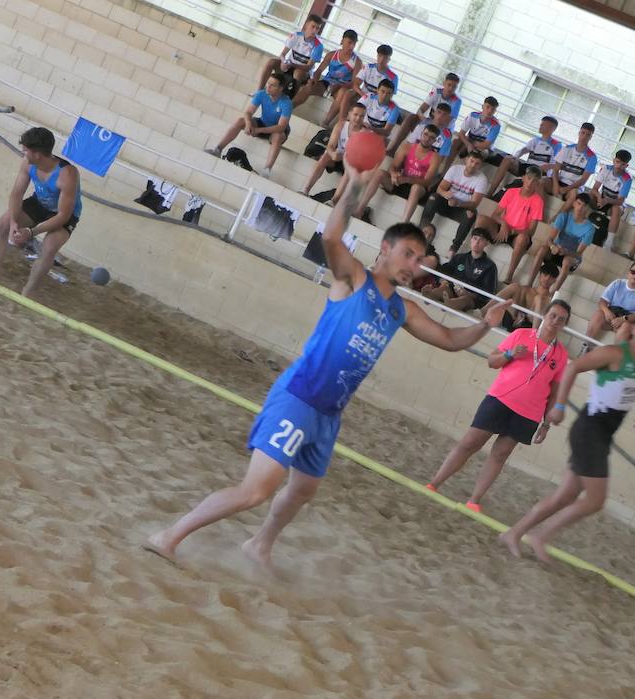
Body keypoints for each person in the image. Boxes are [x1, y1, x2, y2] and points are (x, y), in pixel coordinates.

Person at [144, 165, 512, 566]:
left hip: (328, 414)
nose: (414, 264)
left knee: (303, 491)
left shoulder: (401, 308)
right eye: (408, 253)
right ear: (385, 249)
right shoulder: (354, 279)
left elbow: (448, 340)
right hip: (299, 396)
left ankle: (259, 545)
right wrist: (354, 181)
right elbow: (332, 236)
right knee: (255, 491)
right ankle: (170, 535)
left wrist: (483, 324)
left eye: (420, 259)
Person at [499, 311, 635, 563]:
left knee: (564, 497)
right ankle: (541, 536)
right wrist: (560, 406)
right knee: (596, 500)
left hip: (602, 435)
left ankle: (515, 533)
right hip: (589, 430)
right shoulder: (616, 353)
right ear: (634, 330)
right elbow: (574, 366)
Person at [427, 299, 573, 512]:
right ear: (544, 315)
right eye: (553, 316)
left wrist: (546, 423)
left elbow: (556, 390)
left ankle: (474, 500)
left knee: (500, 454)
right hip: (500, 399)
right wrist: (510, 354)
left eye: (561, 320)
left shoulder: (561, 355)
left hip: (529, 412)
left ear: (564, 325)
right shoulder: (521, 335)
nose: (555, 321)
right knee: (470, 443)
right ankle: (435, 483)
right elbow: (491, 361)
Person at [0, 127, 82, 299]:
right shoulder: (28, 163)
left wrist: (31, 232)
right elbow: (16, 193)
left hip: (63, 214)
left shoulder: (67, 174)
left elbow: (62, 216)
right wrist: (14, 222)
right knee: (2, 225)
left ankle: (28, 293)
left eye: (25, 150)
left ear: (37, 154)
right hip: (39, 203)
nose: (23, 153)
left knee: (49, 248)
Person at [347, 122, 440, 222]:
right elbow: (393, 166)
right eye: (425, 134)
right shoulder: (407, 147)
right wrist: (393, 174)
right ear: (421, 134)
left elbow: (427, 181)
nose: (427, 138)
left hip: (417, 189)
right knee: (379, 173)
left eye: (431, 137)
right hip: (400, 182)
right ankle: (360, 209)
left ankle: (403, 223)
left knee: (416, 188)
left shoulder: (435, 157)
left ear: (434, 141)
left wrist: (407, 180)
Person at [207, 73, 293, 177]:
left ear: (281, 89)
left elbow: (281, 127)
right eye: (268, 83)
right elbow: (248, 112)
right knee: (240, 121)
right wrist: (248, 124)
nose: (268, 87)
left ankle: (267, 170)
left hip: (276, 130)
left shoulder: (286, 102)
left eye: (272, 85)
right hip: (263, 122)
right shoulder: (262, 94)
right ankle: (217, 150)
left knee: (278, 136)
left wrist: (258, 130)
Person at [479, 166, 545, 284]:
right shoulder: (511, 192)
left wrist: (512, 231)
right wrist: (504, 224)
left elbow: (531, 231)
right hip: (503, 227)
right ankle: (475, 255)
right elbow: (495, 215)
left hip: (518, 235)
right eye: (529, 178)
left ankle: (509, 276)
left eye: (534, 181)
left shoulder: (538, 201)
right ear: (523, 178)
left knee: (522, 239)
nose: (530, 183)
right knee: (482, 219)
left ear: (538, 184)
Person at [419, 150, 489, 258]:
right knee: (433, 197)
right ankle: (420, 232)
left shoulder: (482, 179)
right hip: (446, 202)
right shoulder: (455, 169)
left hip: (460, 208)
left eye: (477, 163)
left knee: (471, 213)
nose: (473, 165)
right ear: (466, 160)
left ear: (480, 166)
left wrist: (458, 203)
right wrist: (445, 193)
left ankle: (453, 250)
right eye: (472, 161)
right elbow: (440, 189)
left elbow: (474, 204)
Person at [525, 192, 594, 291]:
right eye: (578, 203)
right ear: (574, 203)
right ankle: (529, 284)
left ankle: (552, 293)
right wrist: (553, 246)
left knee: (567, 260)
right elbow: (549, 239)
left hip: (571, 256)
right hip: (556, 250)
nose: (580, 208)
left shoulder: (589, 228)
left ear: (587, 208)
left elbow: (578, 254)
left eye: (583, 206)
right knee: (542, 249)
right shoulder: (563, 216)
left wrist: (566, 252)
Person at [423, 227, 498, 312]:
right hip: (453, 289)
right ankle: (432, 294)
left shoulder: (490, 266)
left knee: (465, 299)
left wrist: (471, 294)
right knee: (445, 288)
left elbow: (488, 293)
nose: (477, 242)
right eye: (475, 238)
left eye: (481, 240)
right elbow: (443, 270)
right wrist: (444, 281)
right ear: (471, 239)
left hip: (471, 299)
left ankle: (451, 304)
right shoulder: (459, 257)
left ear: (486, 243)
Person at [256, 13, 324, 104]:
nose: (314, 30)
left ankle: (288, 102)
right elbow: (283, 54)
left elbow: (308, 67)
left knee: (298, 73)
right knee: (271, 62)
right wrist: (283, 62)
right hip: (289, 64)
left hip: (303, 71)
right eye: (313, 26)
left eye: (317, 28)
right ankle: (259, 92)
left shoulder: (318, 46)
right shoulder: (296, 35)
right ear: (307, 24)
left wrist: (291, 64)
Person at [486, 115, 560, 198]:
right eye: (541, 124)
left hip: (539, 172)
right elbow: (523, 150)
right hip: (527, 167)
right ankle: (490, 193)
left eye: (543, 125)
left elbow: (558, 164)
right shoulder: (535, 140)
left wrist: (548, 166)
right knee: (507, 159)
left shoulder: (556, 145)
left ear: (552, 128)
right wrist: (514, 157)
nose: (540, 126)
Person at [301, 100, 365, 196]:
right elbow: (330, 146)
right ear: (350, 114)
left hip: (351, 163)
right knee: (325, 157)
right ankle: (305, 189)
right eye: (355, 115)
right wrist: (333, 154)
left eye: (361, 116)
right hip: (338, 158)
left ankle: (335, 199)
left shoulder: (365, 134)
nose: (358, 118)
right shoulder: (341, 125)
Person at [389, 72, 461, 156]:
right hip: (430, 121)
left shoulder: (457, 101)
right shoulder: (436, 92)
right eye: (449, 85)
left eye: (454, 87)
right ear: (444, 83)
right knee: (411, 117)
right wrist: (423, 118)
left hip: (443, 129)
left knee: (428, 129)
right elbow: (421, 109)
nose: (451, 88)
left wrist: (427, 123)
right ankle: (393, 149)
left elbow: (445, 122)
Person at [583, 258, 635, 347]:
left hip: (627, 320)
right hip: (610, 316)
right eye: (633, 272)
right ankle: (585, 347)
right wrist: (607, 312)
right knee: (598, 314)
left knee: (626, 327)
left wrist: (623, 319)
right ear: (628, 272)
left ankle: (615, 357)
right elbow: (602, 302)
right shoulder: (617, 283)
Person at [488, 259, 559, 330]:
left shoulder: (550, 299)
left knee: (539, 298)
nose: (547, 279)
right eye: (545, 275)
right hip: (511, 318)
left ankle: (533, 336)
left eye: (551, 277)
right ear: (539, 275)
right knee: (515, 286)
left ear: (554, 280)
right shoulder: (526, 289)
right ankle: (482, 312)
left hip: (528, 326)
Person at [584, 149, 633, 248]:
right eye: (617, 162)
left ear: (626, 166)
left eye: (622, 164)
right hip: (601, 198)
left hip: (614, 203)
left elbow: (620, 200)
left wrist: (606, 201)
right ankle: (579, 222)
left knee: (616, 209)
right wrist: (599, 197)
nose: (619, 166)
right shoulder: (606, 168)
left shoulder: (627, 178)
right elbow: (594, 189)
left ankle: (609, 240)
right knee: (587, 196)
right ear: (614, 160)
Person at [303, 30, 362, 104]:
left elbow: (354, 83)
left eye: (354, 44)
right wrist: (314, 80)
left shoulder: (357, 62)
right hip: (327, 83)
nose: (351, 46)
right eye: (349, 42)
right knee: (307, 89)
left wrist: (338, 86)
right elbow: (319, 71)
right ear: (342, 41)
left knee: (342, 96)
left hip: (342, 87)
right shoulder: (331, 55)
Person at [544, 121, 596, 200]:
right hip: (559, 181)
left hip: (574, 187)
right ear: (579, 133)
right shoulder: (567, 149)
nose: (584, 136)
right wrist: (555, 185)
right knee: (540, 182)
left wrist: (566, 189)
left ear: (591, 137)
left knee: (573, 194)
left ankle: (561, 212)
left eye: (588, 135)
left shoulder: (592, 157)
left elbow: (583, 180)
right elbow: (555, 169)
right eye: (583, 133)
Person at [450, 96, 502, 166]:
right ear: (482, 106)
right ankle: (445, 170)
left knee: (476, 154)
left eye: (492, 109)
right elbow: (461, 133)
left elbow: (486, 144)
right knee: (456, 142)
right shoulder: (472, 116)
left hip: (484, 148)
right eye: (488, 107)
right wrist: (468, 144)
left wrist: (471, 145)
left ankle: (466, 172)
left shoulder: (496, 125)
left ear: (495, 111)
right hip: (470, 142)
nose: (489, 111)